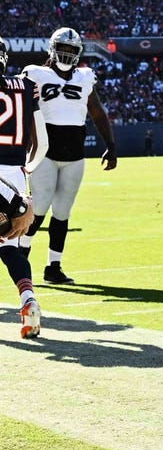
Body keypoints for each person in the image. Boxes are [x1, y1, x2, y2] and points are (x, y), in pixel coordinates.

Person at [19, 28, 117, 285]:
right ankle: (22, 255)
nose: (67, 54)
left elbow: (96, 112)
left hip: (75, 154)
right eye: (63, 49)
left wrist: (111, 144)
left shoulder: (85, 77)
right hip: (45, 150)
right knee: (39, 207)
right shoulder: (34, 73)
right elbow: (20, 109)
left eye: (72, 50)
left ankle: (54, 267)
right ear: (52, 48)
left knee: (62, 212)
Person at [0, 36, 47, 339]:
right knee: (9, 246)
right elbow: (42, 142)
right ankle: (28, 300)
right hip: (16, 175)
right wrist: (26, 171)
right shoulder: (26, 85)